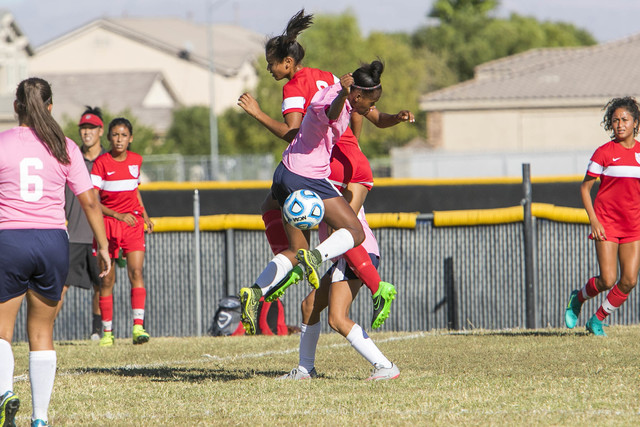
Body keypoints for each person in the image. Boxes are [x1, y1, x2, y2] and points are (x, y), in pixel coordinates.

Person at [238, 9, 408, 330]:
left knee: (342, 231)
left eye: (270, 64)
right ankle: (309, 270)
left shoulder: (293, 88)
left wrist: (258, 114)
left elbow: (292, 132)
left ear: (287, 63)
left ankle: (365, 283)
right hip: (340, 160)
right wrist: (354, 141)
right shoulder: (329, 76)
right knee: (342, 230)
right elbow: (362, 110)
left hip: (323, 165)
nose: (268, 69)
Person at [0, 77, 110, 427]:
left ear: (16, 107)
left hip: (9, 241)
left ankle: (3, 393)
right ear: (50, 107)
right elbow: (90, 200)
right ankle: (41, 418)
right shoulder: (65, 147)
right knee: (42, 332)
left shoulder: (2, 143)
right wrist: (103, 245)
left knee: (2, 330)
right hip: (52, 242)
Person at [278, 125, 403, 381]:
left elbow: (344, 225)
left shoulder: (339, 180)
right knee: (309, 306)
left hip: (358, 253)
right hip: (343, 256)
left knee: (337, 318)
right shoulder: (318, 180)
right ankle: (305, 370)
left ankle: (385, 366)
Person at [565, 96, 640, 336]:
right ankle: (577, 298)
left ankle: (596, 320)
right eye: (615, 120)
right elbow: (584, 188)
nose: (620, 124)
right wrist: (594, 220)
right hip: (606, 223)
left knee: (629, 281)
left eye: (625, 120)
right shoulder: (604, 153)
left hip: (633, 224)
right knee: (608, 279)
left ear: (635, 122)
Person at [91, 117, 154, 346]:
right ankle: (108, 332)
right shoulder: (101, 163)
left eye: (124, 135)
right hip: (107, 225)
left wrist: (144, 215)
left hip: (133, 224)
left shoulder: (136, 160)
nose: (119, 139)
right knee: (107, 280)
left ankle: (138, 327)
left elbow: (134, 190)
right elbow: (93, 201)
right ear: (108, 137)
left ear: (131, 138)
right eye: (115, 135)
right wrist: (117, 215)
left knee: (136, 272)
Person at [56, 106, 107, 340]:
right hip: (73, 233)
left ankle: (98, 331)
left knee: (101, 285)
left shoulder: (108, 161)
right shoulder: (71, 158)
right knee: (60, 285)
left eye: (91, 128)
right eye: (83, 128)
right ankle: (46, 328)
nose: (86, 132)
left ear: (100, 130)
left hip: (98, 235)